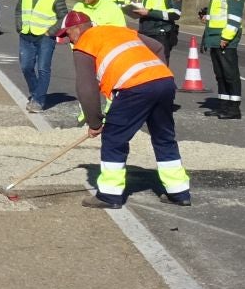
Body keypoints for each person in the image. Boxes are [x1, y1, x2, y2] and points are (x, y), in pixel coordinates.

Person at [55, 11, 190, 208]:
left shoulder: (84, 44)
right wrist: (155, 75)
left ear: (77, 29)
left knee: (113, 138)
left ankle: (109, 195)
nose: (69, 41)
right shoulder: (119, 31)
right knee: (163, 137)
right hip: (164, 81)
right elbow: (158, 47)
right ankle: (179, 192)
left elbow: (86, 88)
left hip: (134, 88)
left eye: (67, 35)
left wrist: (95, 123)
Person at [200, 0, 245, 120]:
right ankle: (223, 106)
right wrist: (205, 17)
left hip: (224, 39)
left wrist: (226, 37)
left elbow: (234, 19)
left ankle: (234, 109)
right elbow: (217, 16)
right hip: (214, 38)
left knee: (230, 74)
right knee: (220, 75)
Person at [17, 0, 66, 113]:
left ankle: (38, 100)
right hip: (26, 35)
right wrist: (19, 26)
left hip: (45, 37)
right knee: (26, 67)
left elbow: (63, 16)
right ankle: (36, 93)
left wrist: (50, 31)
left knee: (43, 68)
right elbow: (18, 9)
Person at [128, 0, 183, 69]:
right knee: (145, 67)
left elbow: (175, 14)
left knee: (160, 67)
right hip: (145, 31)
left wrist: (149, 12)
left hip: (160, 34)